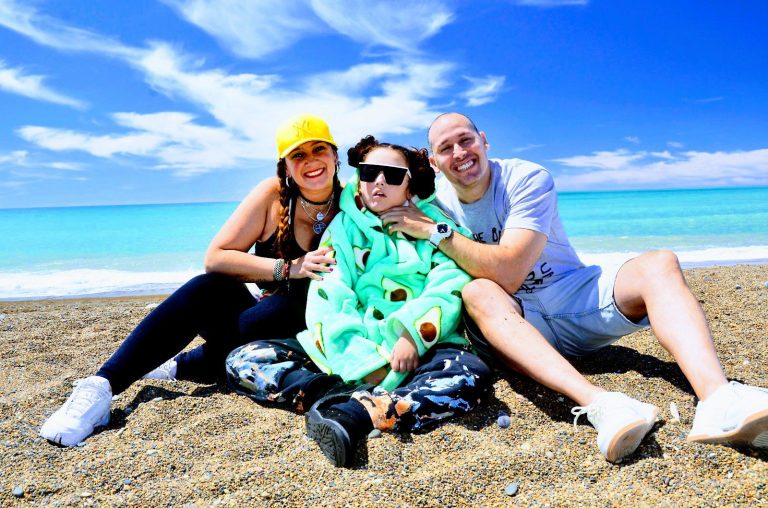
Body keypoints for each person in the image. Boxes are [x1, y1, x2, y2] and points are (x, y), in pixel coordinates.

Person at [379, 112, 768, 463]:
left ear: (484, 140)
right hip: (516, 324)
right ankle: (603, 405)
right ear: (434, 162)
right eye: (446, 148)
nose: (459, 153)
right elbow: (368, 201)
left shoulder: (525, 178)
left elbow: (510, 269)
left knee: (659, 264)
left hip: (573, 295)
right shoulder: (434, 201)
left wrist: (437, 232)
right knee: (477, 292)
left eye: (466, 140)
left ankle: (718, 397)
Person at [40, 114, 341, 446]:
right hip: (257, 321)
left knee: (296, 300)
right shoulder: (273, 195)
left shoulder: (353, 203)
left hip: (313, 332)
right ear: (285, 166)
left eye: (319, 149)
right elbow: (216, 258)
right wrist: (288, 268)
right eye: (298, 154)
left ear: (335, 155)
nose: (310, 161)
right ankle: (102, 386)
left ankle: (181, 365)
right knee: (206, 287)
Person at [225, 136, 491, 467]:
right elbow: (330, 294)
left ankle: (356, 414)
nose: (379, 181)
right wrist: (362, 361)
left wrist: (411, 335)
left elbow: (450, 282)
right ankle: (339, 396)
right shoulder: (342, 229)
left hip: (419, 351)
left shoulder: (434, 225)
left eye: (392, 175)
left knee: (471, 375)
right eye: (369, 172)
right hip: (350, 353)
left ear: (409, 185)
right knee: (244, 360)